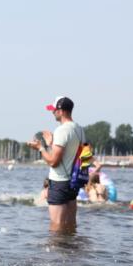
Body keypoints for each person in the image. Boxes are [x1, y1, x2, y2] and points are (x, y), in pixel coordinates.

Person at [27, 96, 85, 232]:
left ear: (61, 111)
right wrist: (51, 144)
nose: (52, 113)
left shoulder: (61, 130)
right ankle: (70, 251)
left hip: (59, 182)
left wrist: (40, 148)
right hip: (74, 182)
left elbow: (53, 162)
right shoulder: (80, 129)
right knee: (71, 224)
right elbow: (72, 155)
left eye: (54, 110)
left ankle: (55, 253)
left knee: (56, 225)